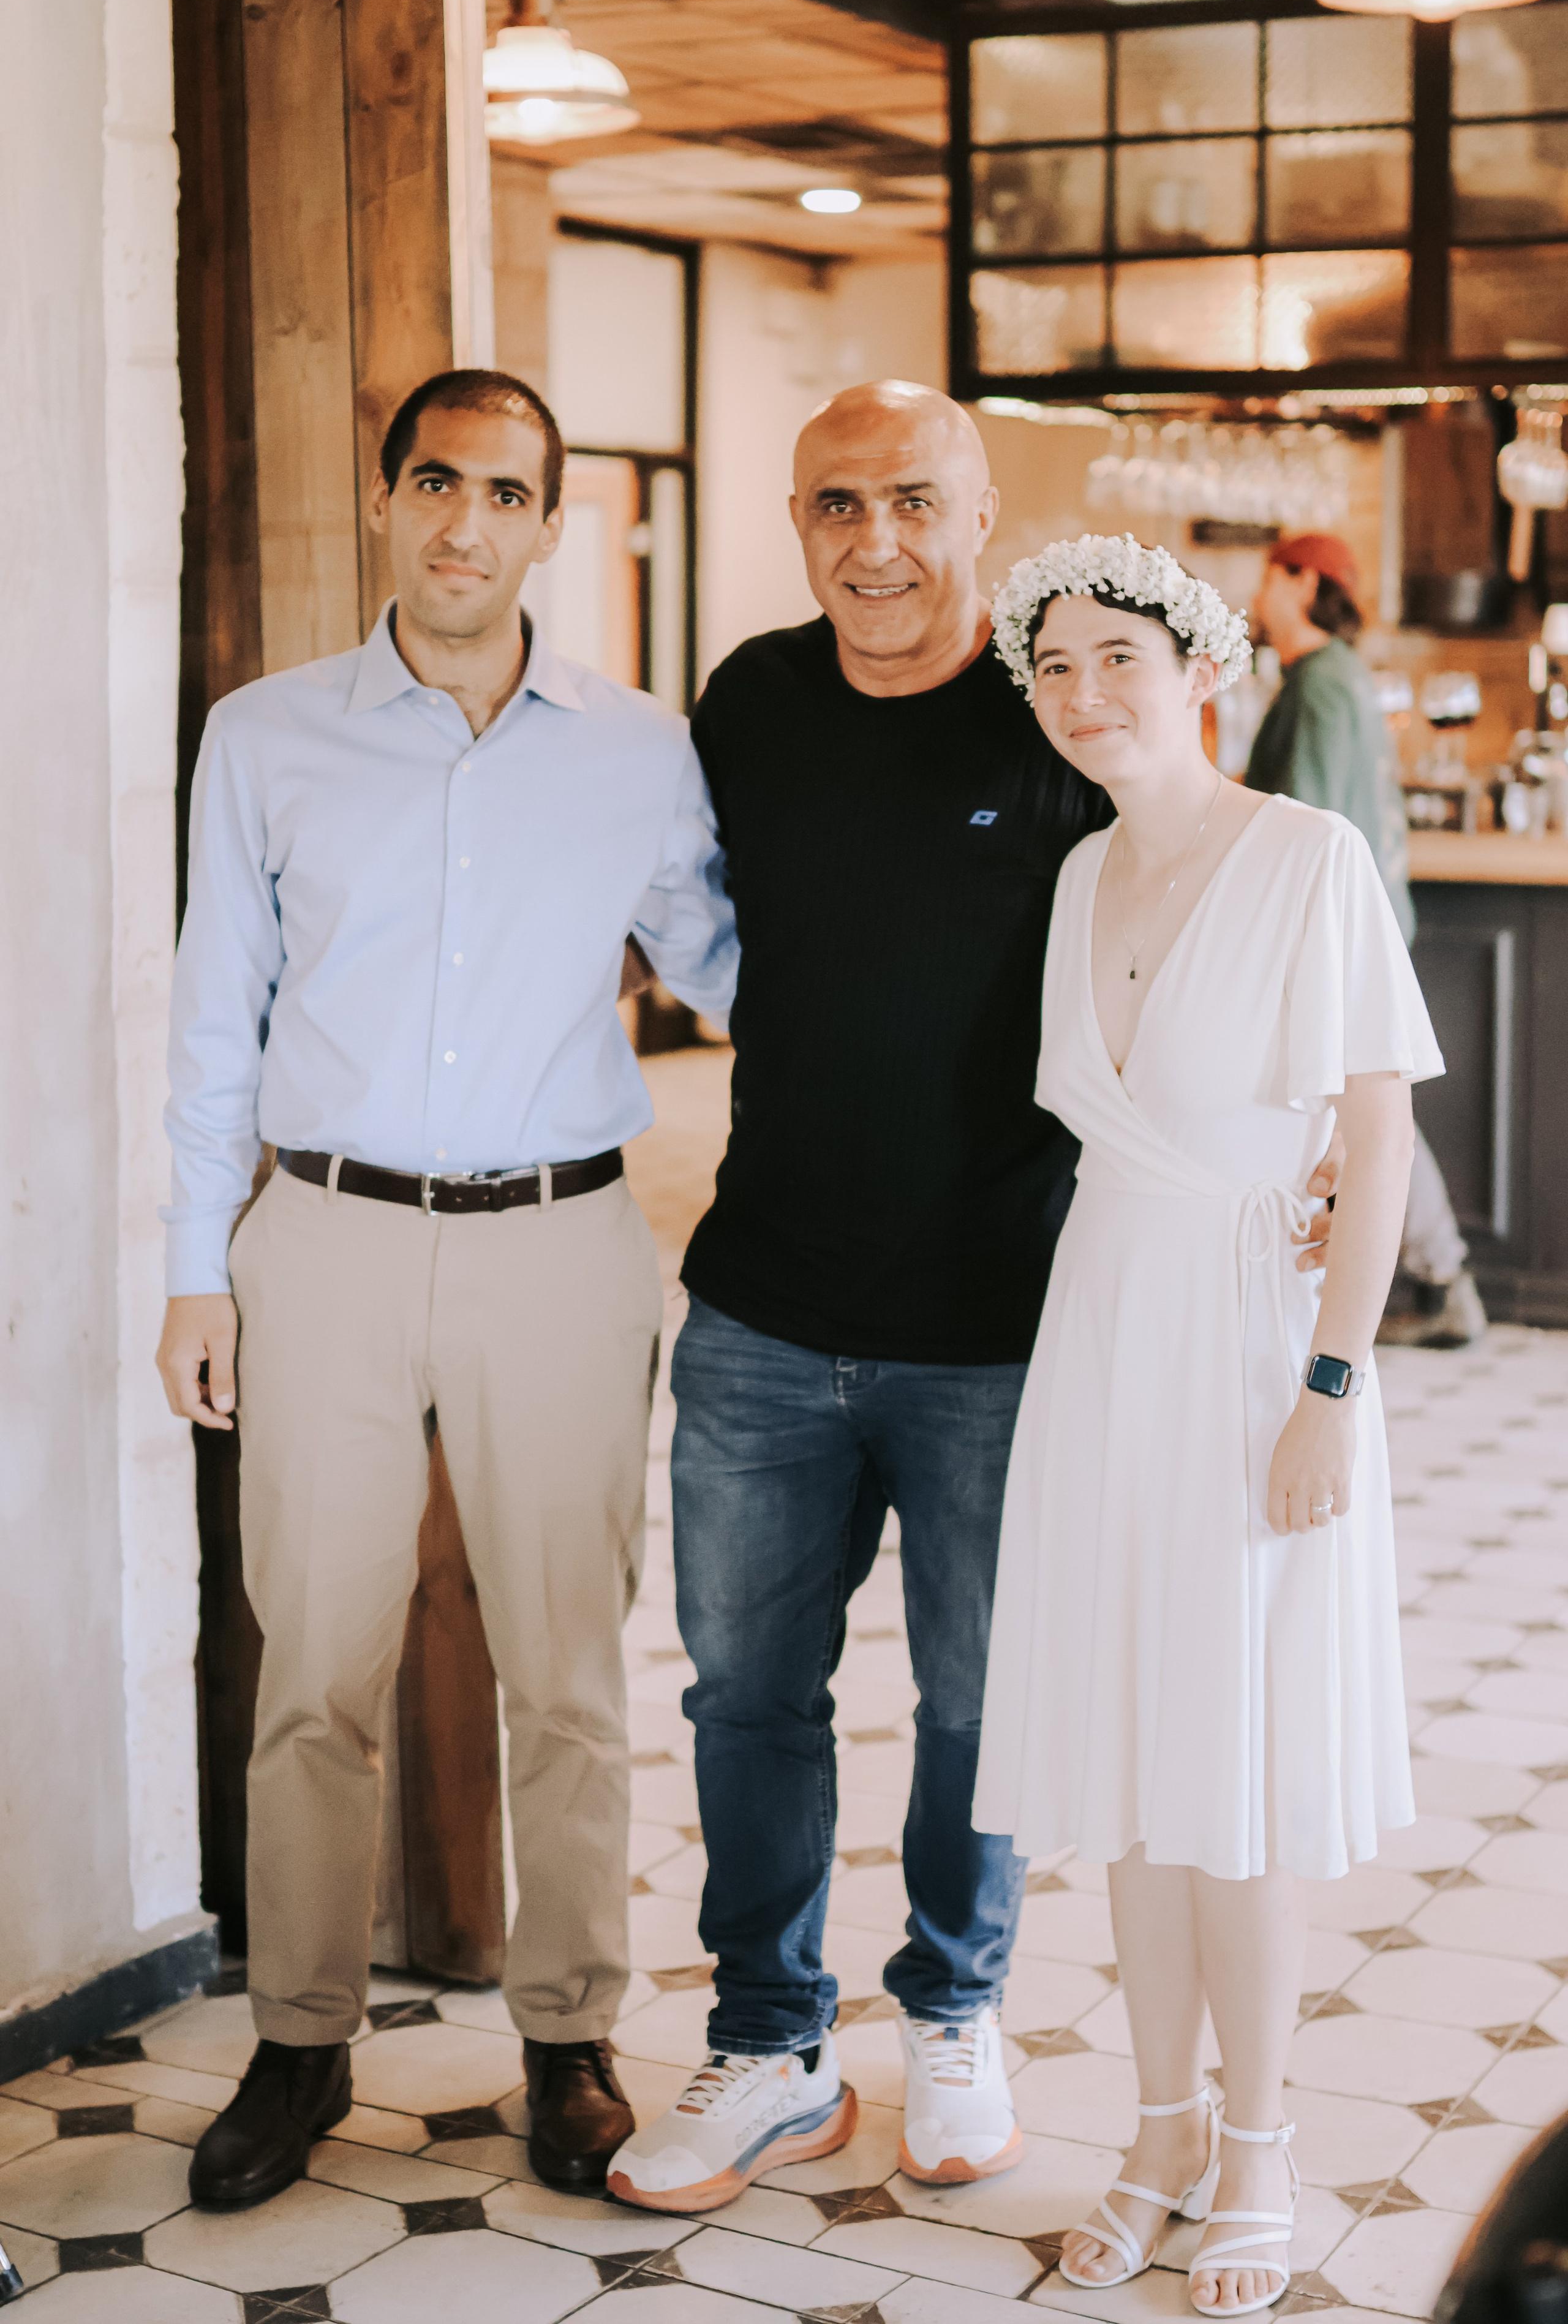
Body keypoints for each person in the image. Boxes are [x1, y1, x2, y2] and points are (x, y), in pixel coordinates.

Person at [606, 390, 1341, 2216]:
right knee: (745, 1699)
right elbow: (715, 928)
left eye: (914, 502)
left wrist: (1310, 1145)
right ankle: (770, 2044)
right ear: (797, 519)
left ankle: (955, 2013)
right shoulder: (749, 701)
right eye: (835, 505)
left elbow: (1208, 908)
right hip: (762, 1303)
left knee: (978, 1706)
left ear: (981, 511)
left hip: (1006, 1320)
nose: (876, 542)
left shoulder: (1057, 708)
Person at [156, 368, 737, 2210]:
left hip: (563, 1242)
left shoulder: (639, 750)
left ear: (549, 524)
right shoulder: (264, 737)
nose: (464, 522)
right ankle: (301, 2038)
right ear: (387, 500)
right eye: (434, 482)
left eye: (503, 492)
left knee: (567, 1671)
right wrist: (193, 1274)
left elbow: (741, 967)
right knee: (311, 1672)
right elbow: (212, 1018)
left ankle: (568, 2035)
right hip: (322, 1238)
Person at [974, 534, 1440, 2315]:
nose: (1084, 692)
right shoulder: (1077, 873)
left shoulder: (1306, 859)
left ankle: (1260, 2148)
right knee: (1134, 1771)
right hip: (1104, 1332)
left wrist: (1329, 1384)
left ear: (1203, 671)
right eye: (1055, 665)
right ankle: (1158, 2130)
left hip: (1251, 1344)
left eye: (1119, 657)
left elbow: (1372, 1141)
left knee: (1229, 1774)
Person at [1247, 534, 1484, 1351]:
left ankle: (1440, 1278)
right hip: (1365, 921)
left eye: (1268, 577)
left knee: (1371, 1116)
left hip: (1330, 932)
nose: (1256, 596)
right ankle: (1433, 1277)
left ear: (1300, 583)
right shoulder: (1339, 675)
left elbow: (1300, 821)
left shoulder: (1318, 684)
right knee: (1371, 1107)